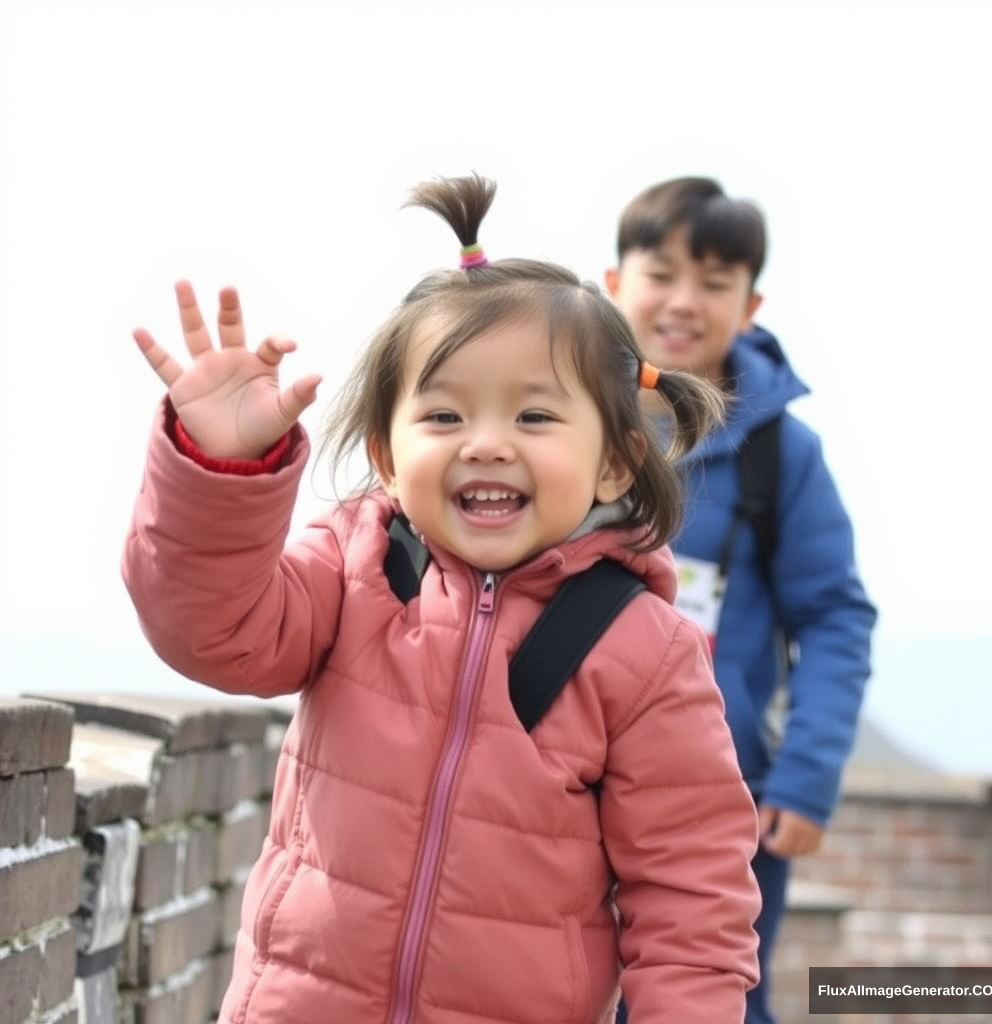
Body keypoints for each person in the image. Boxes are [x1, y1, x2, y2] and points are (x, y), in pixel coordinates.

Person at [122, 174, 762, 1024]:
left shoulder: (645, 652)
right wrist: (217, 471)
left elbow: (692, 898)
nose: (487, 444)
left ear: (614, 462)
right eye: (445, 416)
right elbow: (212, 632)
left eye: (535, 417)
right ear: (387, 454)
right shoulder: (352, 569)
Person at [604, 176, 877, 1024]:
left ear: (749, 304)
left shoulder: (783, 455)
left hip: (728, 801)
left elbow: (834, 617)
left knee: (713, 997)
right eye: (662, 273)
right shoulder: (562, 419)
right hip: (569, 781)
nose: (684, 301)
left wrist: (807, 775)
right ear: (614, 284)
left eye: (715, 283)